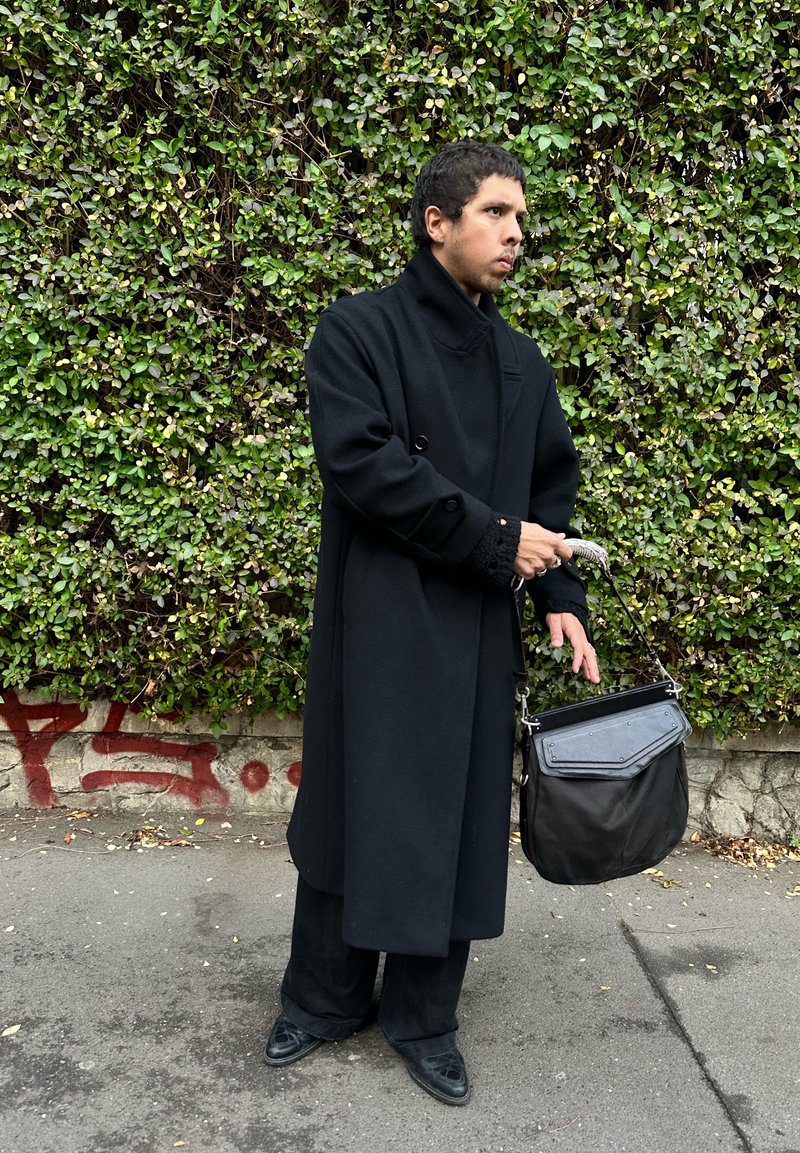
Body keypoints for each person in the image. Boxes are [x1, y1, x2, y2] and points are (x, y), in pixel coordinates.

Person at [264, 140, 600, 1106]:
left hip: (471, 634)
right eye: (496, 213)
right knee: (347, 808)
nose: (515, 236)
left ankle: (423, 1016)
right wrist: (499, 540)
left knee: (450, 823)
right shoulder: (357, 332)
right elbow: (366, 467)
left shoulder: (519, 363)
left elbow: (550, 487)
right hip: (376, 620)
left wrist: (561, 600)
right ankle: (323, 997)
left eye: (522, 220)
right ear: (436, 221)